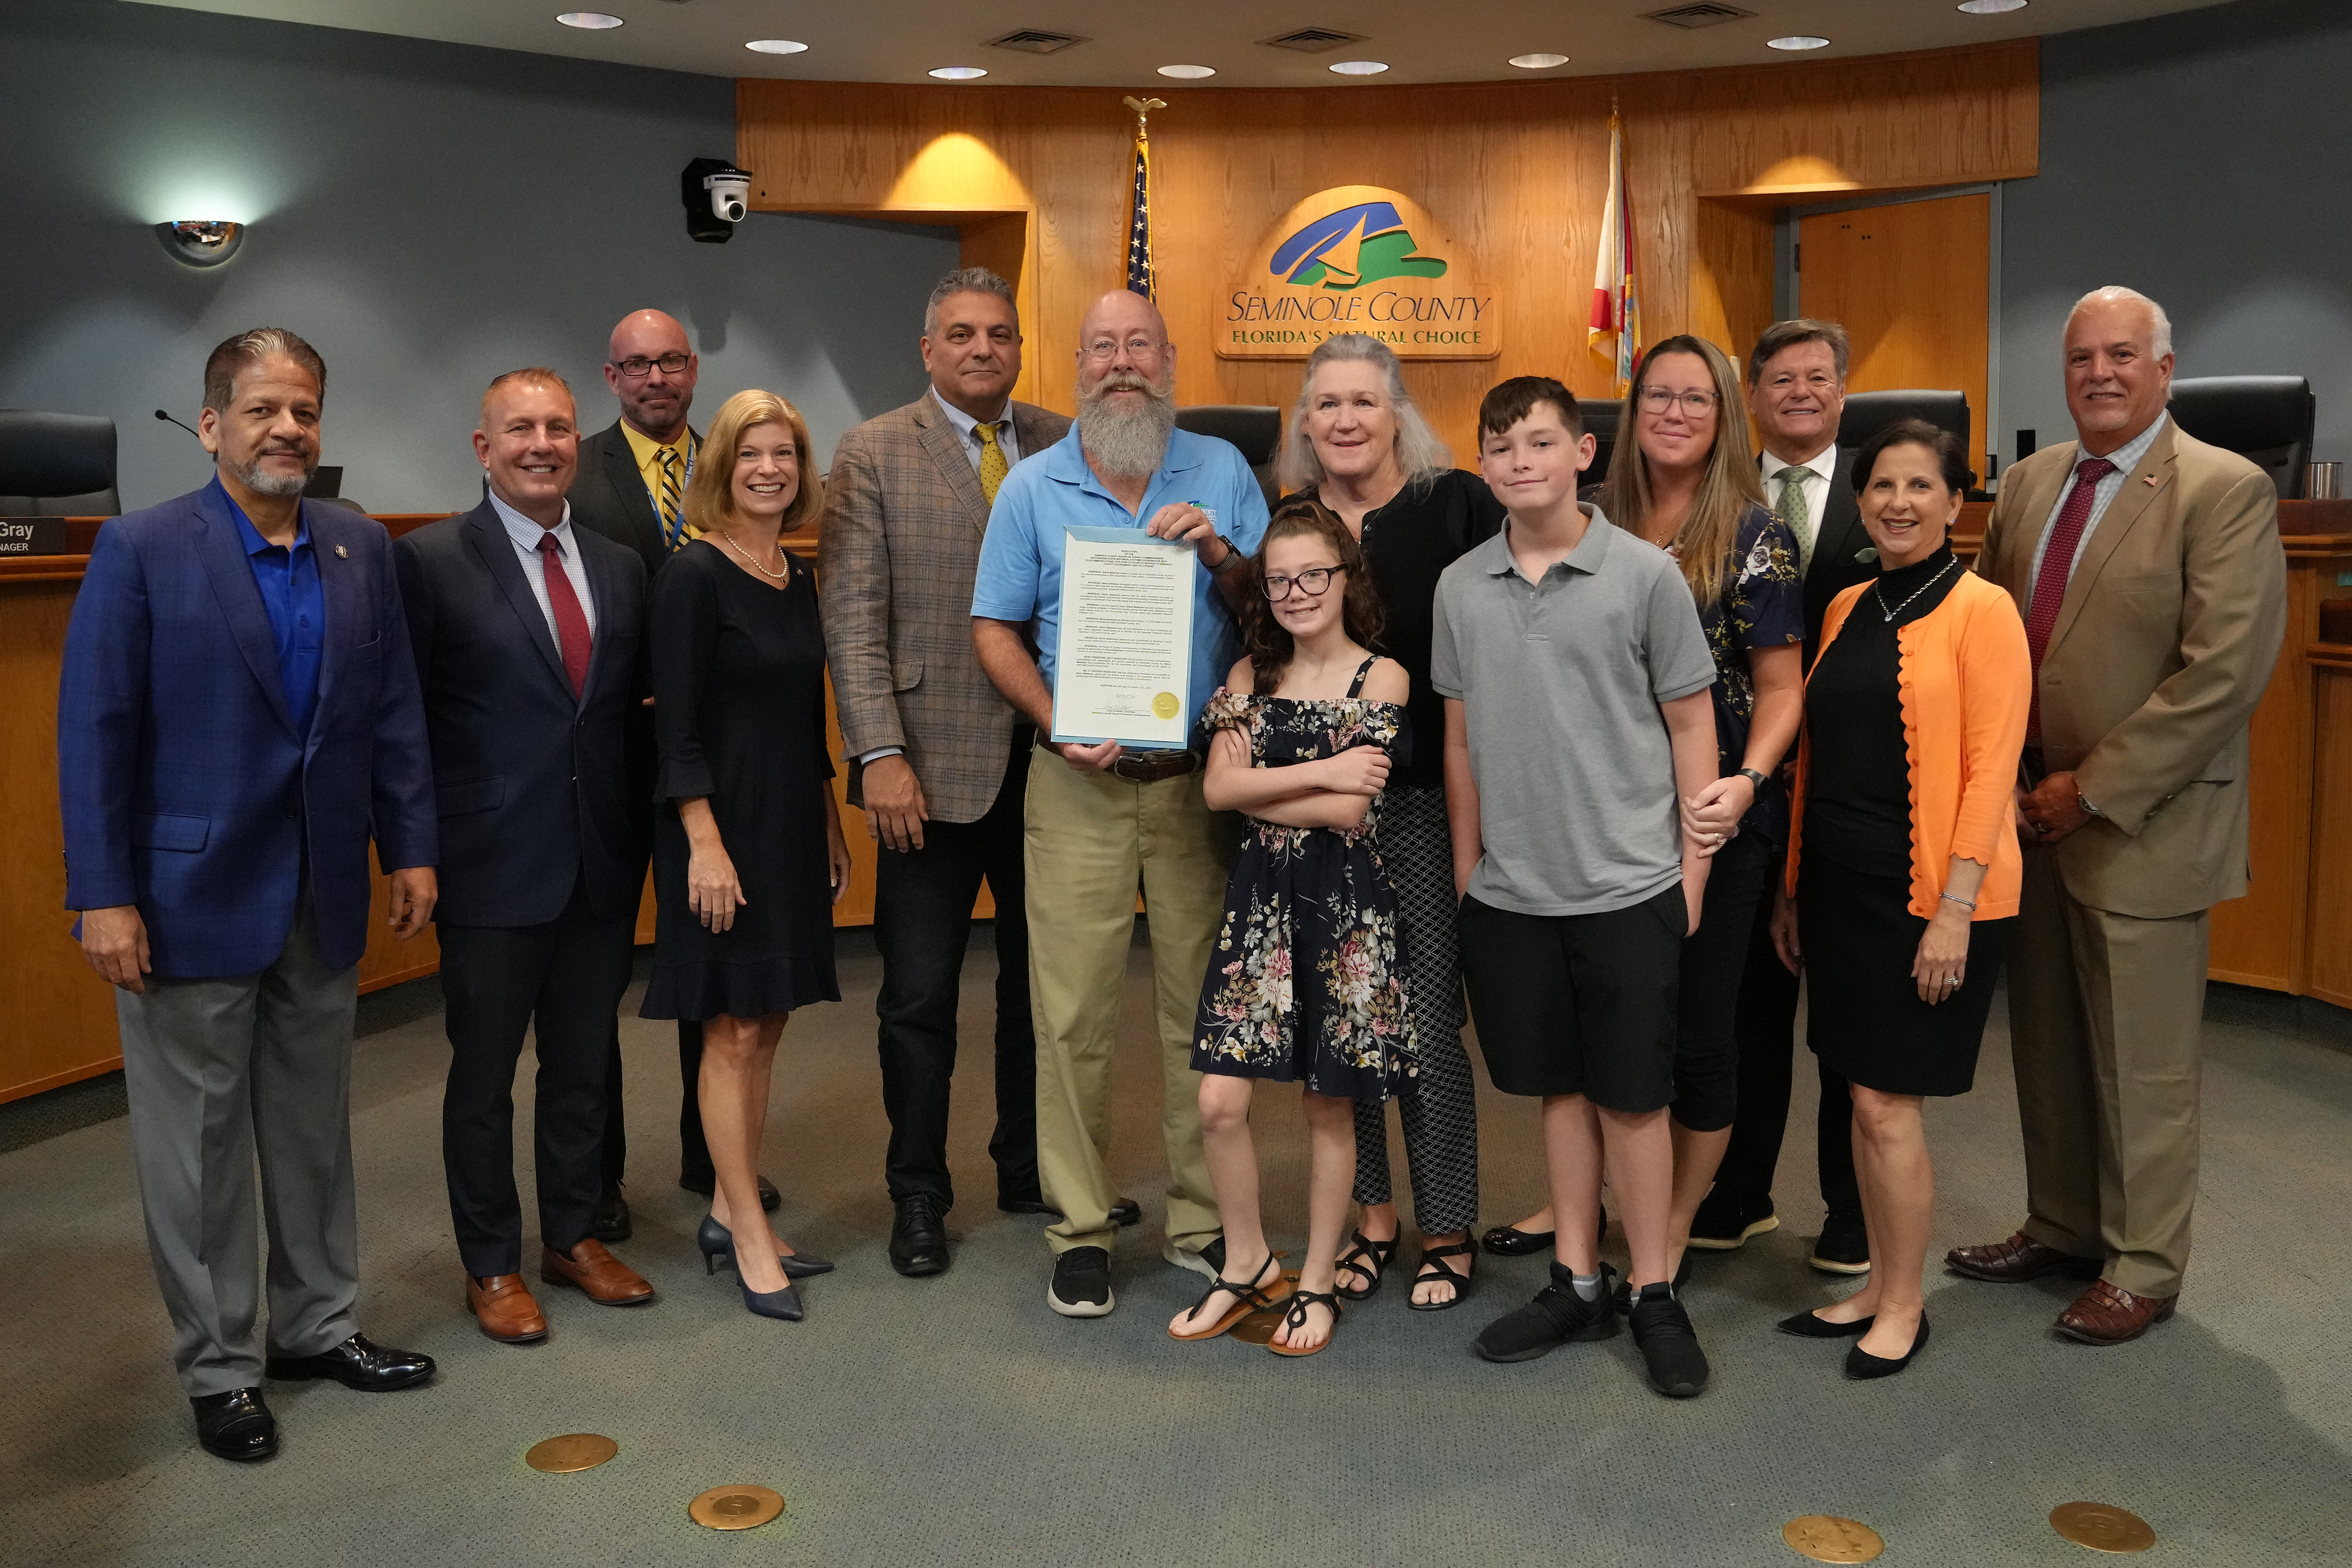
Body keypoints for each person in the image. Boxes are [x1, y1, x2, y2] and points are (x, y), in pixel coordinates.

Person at [58, 328, 439, 1462]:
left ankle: (317, 1328)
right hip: (184, 899)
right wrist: (103, 894)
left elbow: (392, 715)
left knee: (314, 1130)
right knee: (201, 1147)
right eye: (264, 409)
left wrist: (410, 846)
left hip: (319, 892)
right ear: (212, 424)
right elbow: (95, 735)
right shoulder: (141, 549)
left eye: (307, 410)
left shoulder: (360, 547)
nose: (289, 429)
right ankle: (220, 1368)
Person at [1948, 286, 2288, 1344]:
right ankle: (2063, 1222)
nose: (2100, 372)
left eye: (2122, 356)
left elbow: (2222, 674)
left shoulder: (2222, 490)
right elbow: (1995, 640)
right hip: (2028, 816)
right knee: (2045, 1038)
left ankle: (2144, 1264)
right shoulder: (2033, 484)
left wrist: (2089, 788)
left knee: (2140, 1060)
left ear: (2165, 370)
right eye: (2084, 356)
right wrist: (2003, 779)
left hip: (2142, 820)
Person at [971, 288, 1271, 1319]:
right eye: (1102, 347)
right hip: (1077, 786)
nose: (1120, 363)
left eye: (1139, 344)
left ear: (1169, 358)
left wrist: (1224, 557)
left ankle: (1200, 1220)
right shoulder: (1032, 486)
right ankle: (1083, 1229)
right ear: (1079, 365)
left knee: (1202, 1012)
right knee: (1071, 1014)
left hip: (1198, 784)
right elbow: (995, 631)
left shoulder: (1223, 474)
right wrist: (1056, 720)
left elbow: (1276, 617)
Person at [1486, 335, 1803, 1305]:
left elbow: (1783, 688)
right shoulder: (1591, 518)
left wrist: (1744, 783)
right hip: (1599, 822)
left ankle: (1663, 1226)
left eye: (1695, 400)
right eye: (1655, 396)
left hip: (1712, 822)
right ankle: (1591, 1211)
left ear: (1724, 418)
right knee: (1593, 1036)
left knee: (1697, 1035)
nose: (1673, 413)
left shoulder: (1754, 534)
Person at [1444, 377, 1721, 1398]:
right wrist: (1472, 872)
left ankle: (1654, 1291)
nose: (1521, 461)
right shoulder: (1459, 586)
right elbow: (1461, 735)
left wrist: (1692, 872)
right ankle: (1576, 1277)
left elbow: (1695, 727)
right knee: (1560, 1090)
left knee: (1634, 1100)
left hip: (1629, 883)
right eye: (1502, 446)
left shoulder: (1645, 576)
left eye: (1541, 443)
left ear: (1583, 455)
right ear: (1485, 465)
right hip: (1514, 894)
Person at [819, 268, 1086, 1280]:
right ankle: (918, 1192)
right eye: (962, 335)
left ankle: (1031, 1167)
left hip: (1058, 763)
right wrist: (878, 754)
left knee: (1044, 988)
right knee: (919, 997)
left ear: (1020, 350)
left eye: (1001, 335)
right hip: (924, 774)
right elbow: (851, 616)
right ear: (928, 351)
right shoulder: (874, 449)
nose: (983, 349)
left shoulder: (1067, 441)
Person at [395, 369, 655, 1345]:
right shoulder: (427, 560)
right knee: (485, 1076)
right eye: (520, 429)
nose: (541, 444)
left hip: (597, 860)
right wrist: (410, 849)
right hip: (488, 862)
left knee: (585, 1066)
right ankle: (493, 1261)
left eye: (557, 427)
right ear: (483, 447)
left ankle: (574, 1238)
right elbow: (403, 721)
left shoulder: (619, 563)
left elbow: (623, 721)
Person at [1771, 420, 2030, 1379]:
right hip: (1839, 891)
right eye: (1882, 486)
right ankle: (1878, 1285)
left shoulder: (1983, 610)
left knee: (1886, 1104)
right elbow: (1816, 763)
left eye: (1921, 487)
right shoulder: (1845, 606)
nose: (1898, 504)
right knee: (1854, 1093)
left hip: (1930, 900)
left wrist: (1954, 910)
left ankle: (1907, 1306)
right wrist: (1794, 887)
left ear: (1956, 503)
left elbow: (1989, 768)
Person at [1277, 333, 1501, 1312]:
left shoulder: (1457, 506)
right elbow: (1261, 638)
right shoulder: (1294, 522)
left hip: (1423, 801)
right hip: (1316, 807)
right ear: (1306, 422)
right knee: (1345, 1026)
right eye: (1326, 404)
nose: (1345, 420)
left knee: (1428, 1026)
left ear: (1398, 411)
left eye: (1364, 401)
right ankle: (1374, 1219)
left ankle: (1448, 1225)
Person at [1169, 500, 1416, 1355]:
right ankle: (1246, 1266)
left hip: (1345, 908)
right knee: (1219, 1101)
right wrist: (1328, 768)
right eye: (1279, 579)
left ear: (1347, 579)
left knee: (1327, 1104)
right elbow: (1217, 794)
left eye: (1315, 574)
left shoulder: (1381, 676)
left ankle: (1315, 1281)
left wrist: (1278, 778)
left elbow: (1356, 807)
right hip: (1261, 899)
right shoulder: (1248, 675)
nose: (1298, 592)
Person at [641, 388, 853, 1322]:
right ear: (720, 469)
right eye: (750, 455)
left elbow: (804, 719)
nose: (770, 470)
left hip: (788, 826)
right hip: (718, 831)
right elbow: (674, 727)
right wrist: (702, 842)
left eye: (785, 455)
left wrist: (832, 820)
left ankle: (733, 1208)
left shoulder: (792, 573)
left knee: (767, 1022)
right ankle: (749, 1236)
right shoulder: (693, 575)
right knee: (729, 1027)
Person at [566, 307, 779, 1239]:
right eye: (636, 365)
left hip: (719, 768)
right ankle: (598, 1176)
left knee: (716, 964)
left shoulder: (732, 460)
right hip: (610, 763)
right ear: (611, 377)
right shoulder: (576, 469)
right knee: (600, 975)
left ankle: (715, 1162)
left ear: (694, 370)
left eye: (671, 362)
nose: (657, 379)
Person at [1712, 318, 1879, 1273]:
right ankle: (1741, 1193)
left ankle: (1850, 1212)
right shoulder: (1724, 499)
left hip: (1858, 785)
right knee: (1749, 1011)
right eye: (1782, 379)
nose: (1802, 393)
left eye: (1820, 377)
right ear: (1755, 393)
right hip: (1751, 786)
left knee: (1848, 1017)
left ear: (1844, 391)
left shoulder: (1884, 488)